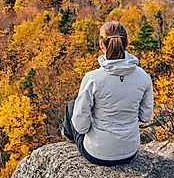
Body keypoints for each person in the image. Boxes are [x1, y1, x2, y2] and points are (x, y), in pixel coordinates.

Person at [62, 20, 154, 166]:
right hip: (130, 152)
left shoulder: (92, 79)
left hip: (97, 153)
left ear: (101, 45)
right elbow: (145, 116)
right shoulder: (143, 77)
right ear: (127, 43)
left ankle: (69, 140)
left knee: (72, 106)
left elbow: (81, 126)